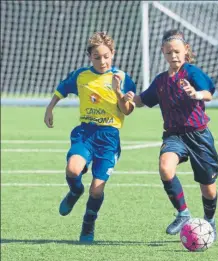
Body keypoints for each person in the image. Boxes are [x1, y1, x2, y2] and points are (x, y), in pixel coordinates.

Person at [124, 29, 218, 241]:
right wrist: (129, 98)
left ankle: (210, 221)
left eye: (177, 51)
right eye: (169, 53)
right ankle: (183, 213)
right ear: (163, 53)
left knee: (208, 189)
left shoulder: (192, 73)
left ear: (186, 50)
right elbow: (143, 100)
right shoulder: (160, 81)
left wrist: (196, 94)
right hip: (174, 135)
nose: (173, 56)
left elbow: (208, 93)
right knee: (165, 168)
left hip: (199, 136)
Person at [44, 32, 136, 243]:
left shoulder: (122, 77)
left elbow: (127, 110)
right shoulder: (81, 75)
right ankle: (75, 192)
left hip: (109, 137)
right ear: (89, 57)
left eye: (106, 56)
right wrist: (50, 108)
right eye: (97, 57)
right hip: (85, 132)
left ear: (113, 53)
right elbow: (61, 89)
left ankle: (88, 225)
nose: (102, 61)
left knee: (96, 189)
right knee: (72, 170)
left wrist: (119, 92)